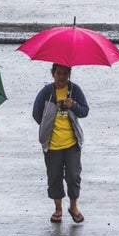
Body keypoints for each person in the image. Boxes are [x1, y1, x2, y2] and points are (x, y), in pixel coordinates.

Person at [31, 63, 89, 224]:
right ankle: (58, 209)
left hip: (72, 143)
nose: (61, 76)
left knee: (73, 175)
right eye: (58, 73)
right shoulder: (46, 93)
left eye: (65, 73)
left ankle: (73, 206)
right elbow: (36, 113)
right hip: (52, 145)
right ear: (53, 74)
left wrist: (73, 105)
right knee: (54, 177)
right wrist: (47, 126)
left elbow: (85, 111)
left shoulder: (75, 90)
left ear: (69, 74)